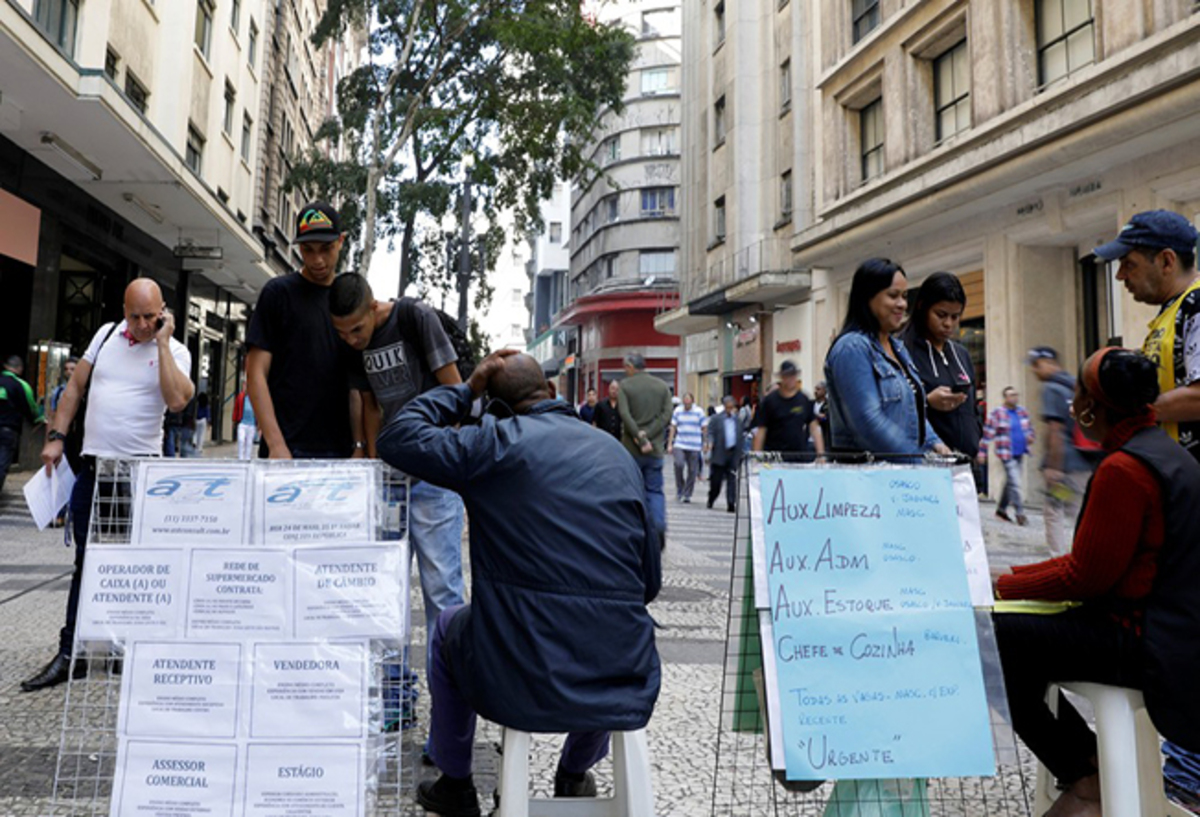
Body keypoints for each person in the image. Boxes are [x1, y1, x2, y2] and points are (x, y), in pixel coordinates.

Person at [375, 351, 660, 817]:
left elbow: (397, 437)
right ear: (552, 393)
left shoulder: (491, 445)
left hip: (517, 670)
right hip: (621, 673)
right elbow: (648, 584)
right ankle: (573, 772)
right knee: (612, 625)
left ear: (499, 409)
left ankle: (456, 781)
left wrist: (466, 389)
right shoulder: (617, 455)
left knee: (447, 626)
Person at [992, 348, 1200, 817]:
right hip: (1172, 633)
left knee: (994, 638)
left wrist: (1004, 584)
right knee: (1021, 637)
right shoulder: (1170, 454)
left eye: (1080, 394)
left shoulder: (1124, 470)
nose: (1073, 404)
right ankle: (1088, 767)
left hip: (1143, 641)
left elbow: (1084, 575)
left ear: (1091, 406)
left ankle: (1087, 774)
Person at [22, 280, 193, 692]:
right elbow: (76, 388)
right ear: (123, 310)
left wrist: (164, 343)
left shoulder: (176, 350)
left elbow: (177, 400)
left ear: (163, 311)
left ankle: (124, 648)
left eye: (150, 316)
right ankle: (70, 654)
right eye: (134, 316)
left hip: (141, 474)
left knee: (134, 567)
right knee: (87, 561)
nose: (141, 325)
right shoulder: (104, 336)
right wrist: (57, 437)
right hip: (94, 467)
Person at [1093, 209, 1200, 811]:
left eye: (1128, 265)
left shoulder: (1198, 307)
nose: (1119, 278)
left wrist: (1136, 410)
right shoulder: (1169, 317)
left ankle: (1188, 769)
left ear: (1165, 259)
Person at [328, 272, 466, 733]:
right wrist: (372, 460)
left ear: (374, 308)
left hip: (434, 478)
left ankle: (450, 712)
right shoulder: (352, 342)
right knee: (384, 593)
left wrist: (440, 454)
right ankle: (394, 699)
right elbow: (368, 405)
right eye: (341, 333)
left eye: (357, 331)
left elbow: (454, 389)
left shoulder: (414, 317)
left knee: (443, 594)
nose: (350, 340)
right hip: (390, 479)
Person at [246, 201, 356, 459]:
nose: (317, 260)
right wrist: (275, 444)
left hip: (341, 453)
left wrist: (361, 447)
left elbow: (359, 383)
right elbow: (255, 374)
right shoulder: (277, 294)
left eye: (326, 249)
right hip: (286, 450)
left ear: (340, 242)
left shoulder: (348, 298)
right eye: (308, 250)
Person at [824, 258, 949, 457]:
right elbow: (867, 421)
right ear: (868, 297)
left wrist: (935, 444)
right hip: (867, 478)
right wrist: (914, 460)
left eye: (905, 296)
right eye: (893, 296)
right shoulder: (852, 348)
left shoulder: (898, 348)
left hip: (902, 475)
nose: (902, 304)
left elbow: (912, 409)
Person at [902, 272, 981, 459]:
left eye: (955, 317)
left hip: (966, 466)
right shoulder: (901, 351)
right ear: (922, 307)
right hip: (924, 467)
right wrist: (927, 402)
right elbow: (890, 412)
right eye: (941, 315)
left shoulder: (961, 354)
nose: (948, 324)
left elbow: (973, 407)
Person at [1028, 347, 1093, 557]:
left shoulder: (1051, 389)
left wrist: (1053, 467)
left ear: (1048, 364)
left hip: (1064, 465)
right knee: (1078, 510)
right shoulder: (1074, 385)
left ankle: (1059, 558)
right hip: (1085, 460)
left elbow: (1055, 430)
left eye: (1036, 366)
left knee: (1054, 511)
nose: (1034, 371)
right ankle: (1085, 555)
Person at [617, 353, 673, 546]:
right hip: (655, 449)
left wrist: (640, 437)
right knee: (655, 491)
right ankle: (658, 526)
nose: (625, 370)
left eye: (626, 367)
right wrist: (649, 433)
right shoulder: (661, 386)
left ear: (631, 367)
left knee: (631, 491)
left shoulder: (625, 386)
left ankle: (633, 531)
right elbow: (667, 415)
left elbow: (624, 414)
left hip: (631, 450)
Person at [978, 387, 1035, 526]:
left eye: (1015, 395)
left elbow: (1029, 429)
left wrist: (1030, 437)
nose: (1014, 398)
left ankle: (1001, 510)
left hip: (1020, 452)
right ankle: (1020, 513)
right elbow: (987, 435)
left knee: (1010, 483)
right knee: (1015, 482)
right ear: (1005, 398)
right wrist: (982, 452)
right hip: (1006, 453)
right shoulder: (997, 413)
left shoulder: (1022, 411)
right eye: (1010, 395)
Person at [751, 360, 824, 456]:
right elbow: (761, 431)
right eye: (787, 376)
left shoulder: (803, 400)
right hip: (775, 457)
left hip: (798, 457)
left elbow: (814, 428)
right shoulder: (769, 401)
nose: (790, 379)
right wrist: (757, 456)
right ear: (781, 377)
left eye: (793, 375)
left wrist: (821, 454)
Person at [0, 355, 44, 495]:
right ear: (19, 369)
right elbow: (31, 407)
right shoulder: (21, 385)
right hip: (8, 430)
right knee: (1, 463)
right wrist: (37, 420)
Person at [706, 395, 744, 512]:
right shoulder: (716, 419)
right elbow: (710, 432)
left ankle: (731, 503)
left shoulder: (737, 420)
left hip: (733, 453)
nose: (730, 410)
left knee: (732, 480)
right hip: (719, 453)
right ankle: (712, 497)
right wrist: (710, 443)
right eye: (728, 408)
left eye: (731, 408)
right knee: (716, 481)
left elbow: (740, 435)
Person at [667, 393, 705, 503]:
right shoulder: (678, 411)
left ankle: (687, 493)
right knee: (678, 464)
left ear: (692, 401)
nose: (686, 402)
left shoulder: (699, 411)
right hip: (680, 443)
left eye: (689, 400)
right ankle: (680, 488)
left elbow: (704, 427)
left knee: (693, 470)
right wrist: (670, 444)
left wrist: (705, 443)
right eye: (685, 400)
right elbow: (673, 427)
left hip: (694, 445)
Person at [235, 386, 257, 461]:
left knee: (249, 442)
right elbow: (236, 408)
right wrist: (235, 419)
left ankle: (247, 458)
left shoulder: (256, 398)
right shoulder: (241, 397)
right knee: (241, 440)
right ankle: (240, 457)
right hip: (242, 422)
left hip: (252, 423)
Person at [812, 381, 831, 453]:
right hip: (810, 440)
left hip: (823, 440)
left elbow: (825, 418)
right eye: (815, 389)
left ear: (824, 391)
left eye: (818, 389)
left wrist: (813, 415)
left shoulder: (828, 405)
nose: (816, 391)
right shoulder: (811, 404)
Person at [192, 391, 209, 455]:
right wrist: (208, 422)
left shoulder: (197, 405)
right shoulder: (206, 405)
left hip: (197, 420)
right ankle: (200, 447)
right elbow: (207, 414)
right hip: (203, 420)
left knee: (196, 432)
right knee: (201, 435)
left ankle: (194, 442)